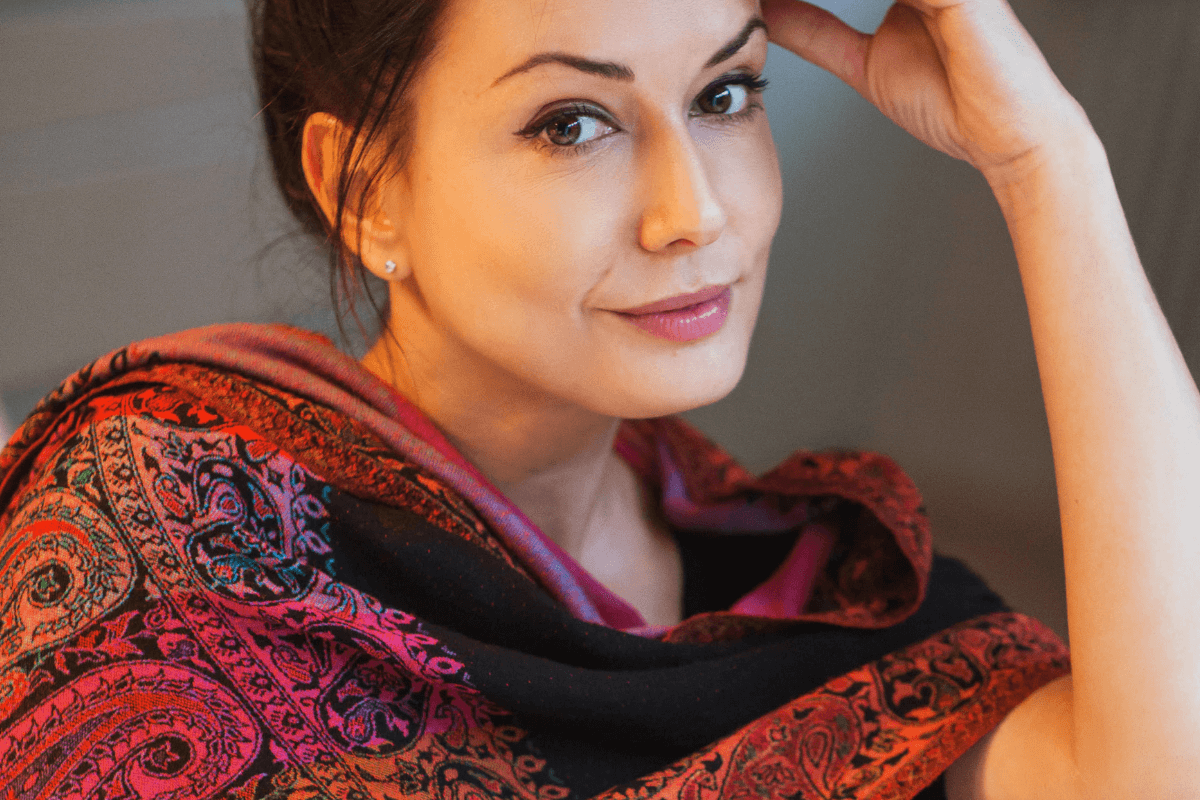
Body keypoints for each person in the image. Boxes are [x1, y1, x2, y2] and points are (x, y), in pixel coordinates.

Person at [0, 0, 1195, 797]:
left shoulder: (827, 600)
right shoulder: (158, 539)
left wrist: (1047, 163)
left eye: (725, 94)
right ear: (364, 189)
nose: (695, 212)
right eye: (573, 123)